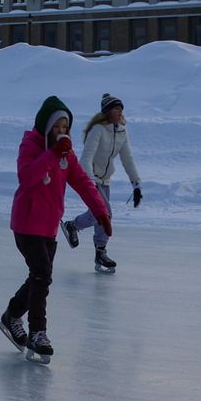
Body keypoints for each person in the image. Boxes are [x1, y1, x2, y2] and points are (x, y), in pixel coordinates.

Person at [0, 95, 110, 359]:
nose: (62, 132)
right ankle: (38, 333)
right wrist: (51, 154)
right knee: (41, 275)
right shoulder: (32, 145)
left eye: (65, 128)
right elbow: (26, 178)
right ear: (46, 127)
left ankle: (12, 315)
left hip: (48, 226)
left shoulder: (66, 154)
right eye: (57, 127)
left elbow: (82, 182)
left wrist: (100, 211)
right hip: (26, 224)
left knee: (40, 276)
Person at [63, 92, 143, 273]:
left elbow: (127, 158)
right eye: (116, 109)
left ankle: (72, 226)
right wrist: (90, 182)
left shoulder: (122, 130)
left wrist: (136, 185)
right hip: (91, 179)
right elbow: (86, 158)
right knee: (104, 214)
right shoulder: (97, 129)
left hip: (105, 180)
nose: (120, 112)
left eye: (121, 109)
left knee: (94, 215)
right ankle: (101, 251)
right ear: (107, 112)